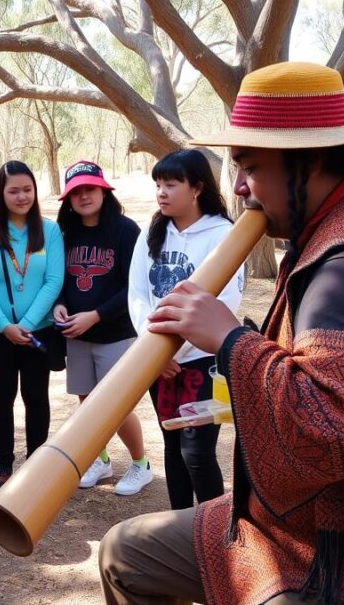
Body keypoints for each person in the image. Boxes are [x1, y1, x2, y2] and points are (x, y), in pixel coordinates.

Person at [99, 62, 344, 605]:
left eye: (250, 167)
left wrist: (229, 340)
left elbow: (331, 433)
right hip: (321, 513)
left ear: (309, 163)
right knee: (127, 554)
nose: (240, 188)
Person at [127, 149, 243, 511]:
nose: (161, 192)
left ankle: (218, 530)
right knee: (173, 447)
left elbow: (227, 298)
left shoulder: (223, 234)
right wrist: (156, 351)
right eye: (158, 184)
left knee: (197, 452)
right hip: (156, 359)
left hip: (202, 360)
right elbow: (137, 294)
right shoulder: (151, 232)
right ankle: (180, 526)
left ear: (196, 188)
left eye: (171, 184)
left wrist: (176, 349)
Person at [52, 160, 150, 496]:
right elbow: (59, 279)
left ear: (104, 190)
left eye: (89, 189)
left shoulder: (126, 231)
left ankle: (141, 464)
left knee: (115, 406)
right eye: (75, 192)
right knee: (87, 402)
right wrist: (60, 303)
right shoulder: (65, 235)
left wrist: (96, 315)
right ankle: (101, 458)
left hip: (115, 333)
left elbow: (133, 287)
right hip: (77, 335)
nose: (83, 196)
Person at [0, 160, 64, 493]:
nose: (22, 196)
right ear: (1, 193)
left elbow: (54, 280)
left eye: (27, 189)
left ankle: (36, 464)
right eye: (14, 191)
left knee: (36, 396)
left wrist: (26, 324)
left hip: (38, 332)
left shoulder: (50, 231)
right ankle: (3, 464)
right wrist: (4, 325)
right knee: (1, 396)